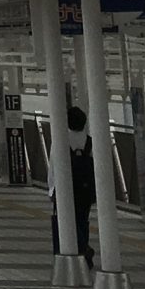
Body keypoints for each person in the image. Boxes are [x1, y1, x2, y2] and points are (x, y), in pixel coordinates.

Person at [56, 105, 96, 264]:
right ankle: (84, 249)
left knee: (67, 219)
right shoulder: (90, 141)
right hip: (86, 187)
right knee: (83, 219)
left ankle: (83, 248)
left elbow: (54, 166)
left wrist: (52, 189)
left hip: (67, 187)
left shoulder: (61, 140)